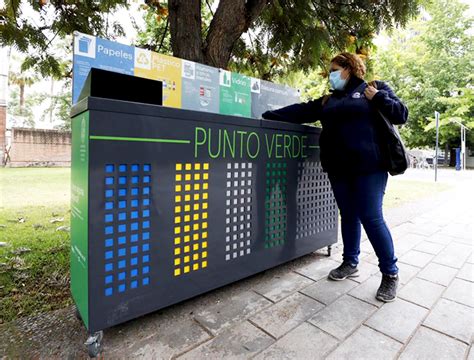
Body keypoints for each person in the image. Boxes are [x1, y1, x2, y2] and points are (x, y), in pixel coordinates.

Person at [262, 52, 408, 302]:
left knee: (371, 217)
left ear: (348, 69)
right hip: (339, 169)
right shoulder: (330, 100)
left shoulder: (374, 89)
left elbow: (401, 114)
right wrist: (268, 115)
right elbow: (301, 111)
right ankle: (350, 262)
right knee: (348, 215)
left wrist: (379, 98)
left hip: (369, 167)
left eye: (333, 69)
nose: (330, 74)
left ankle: (390, 273)